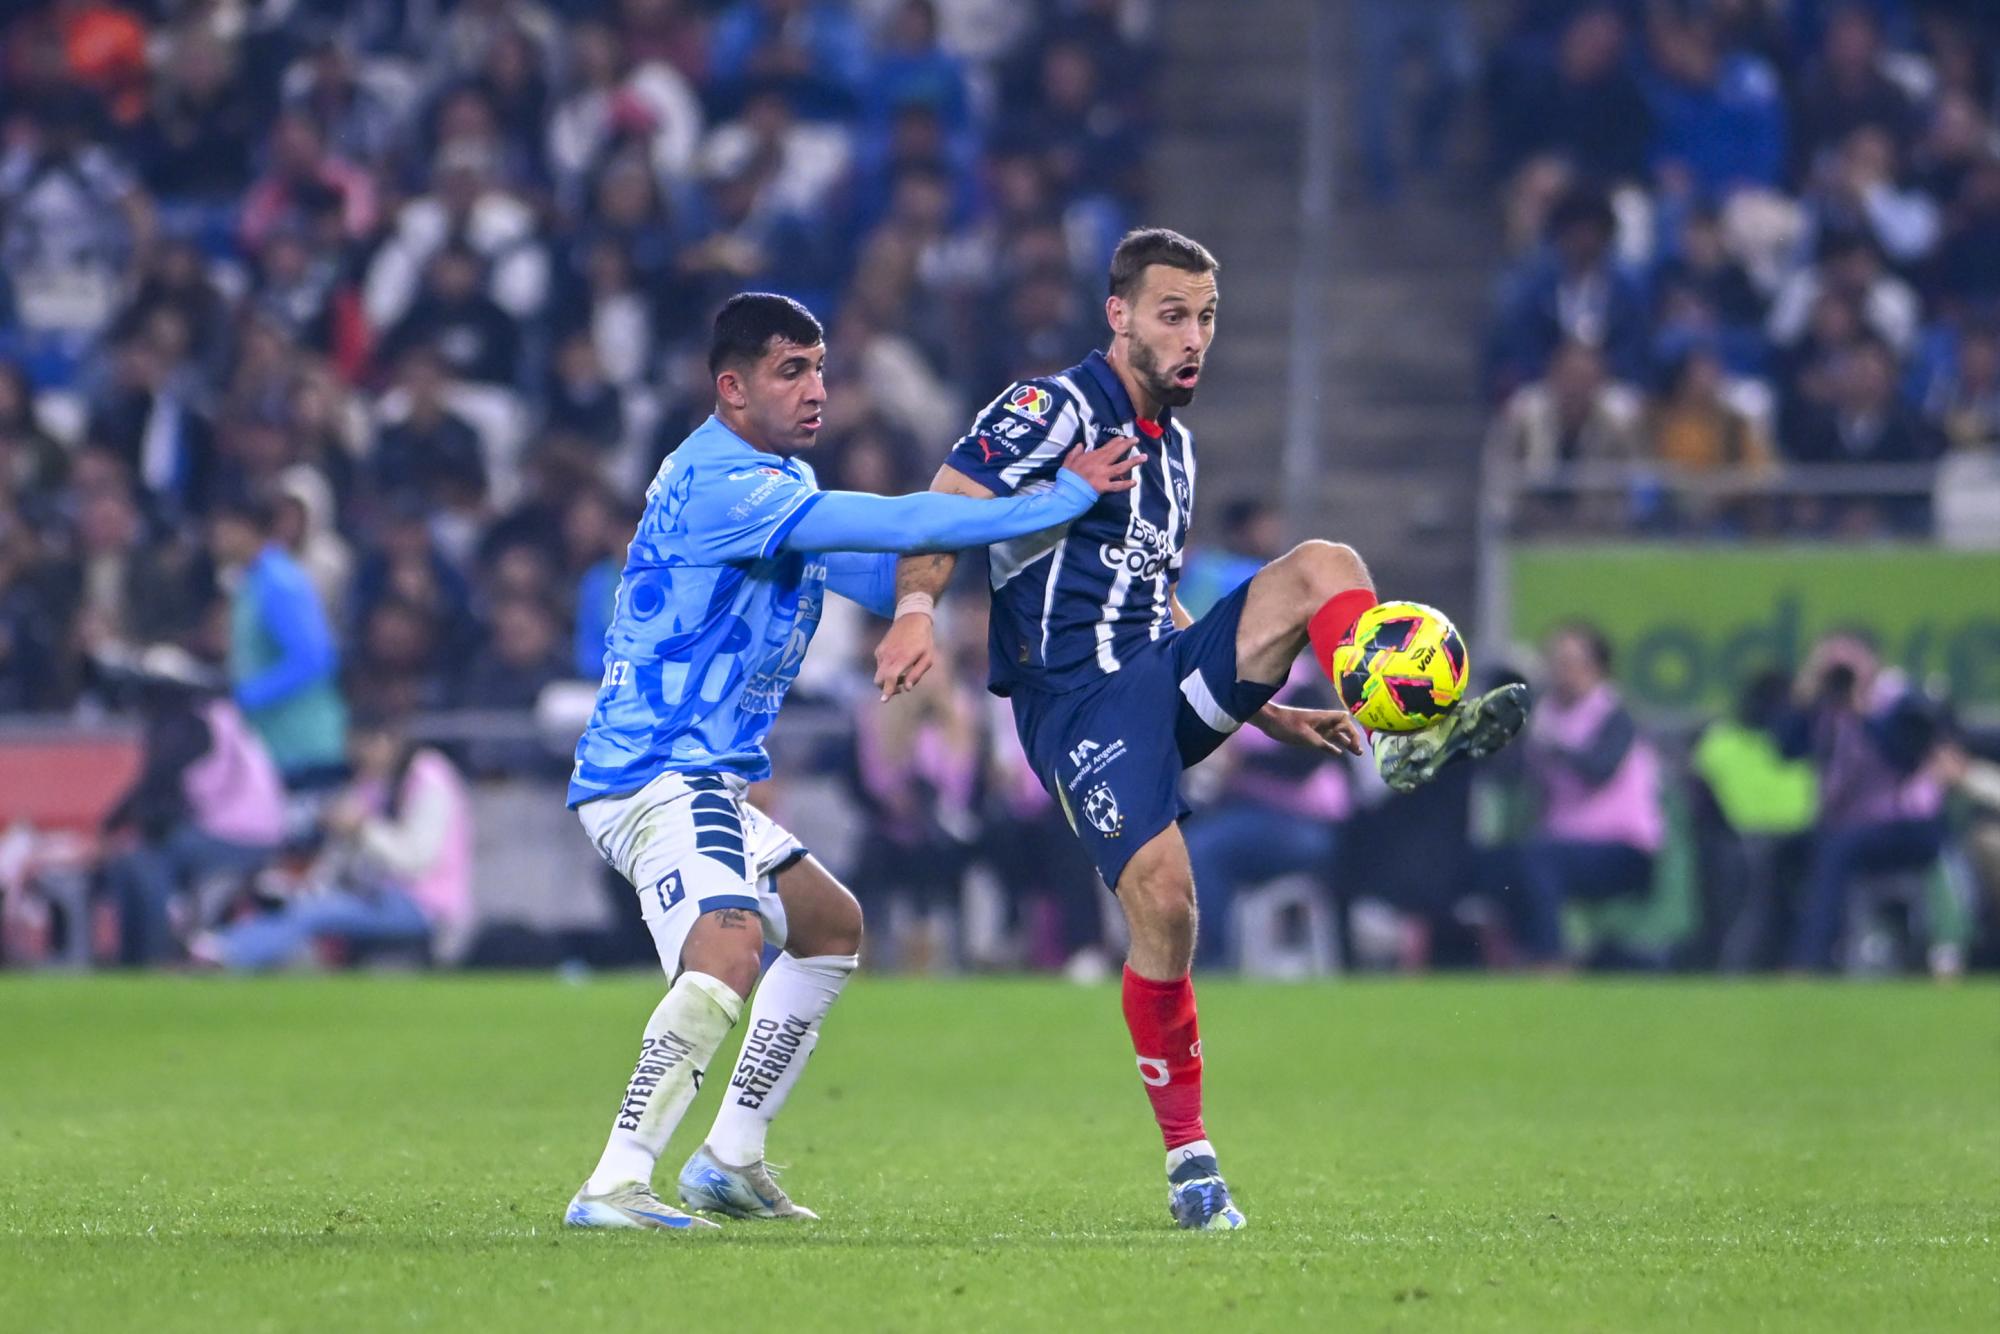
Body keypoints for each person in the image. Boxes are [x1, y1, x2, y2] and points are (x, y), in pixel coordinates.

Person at [872, 229, 1529, 1230]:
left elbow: (1156, 599)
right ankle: (1190, 1159)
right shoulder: (1050, 408)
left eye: (1207, 318)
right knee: (1169, 905)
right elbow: (942, 505)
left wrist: (1272, 711)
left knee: (1322, 564)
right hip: (1076, 703)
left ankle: (1394, 729)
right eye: (1172, 314)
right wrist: (916, 611)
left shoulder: (1173, 451)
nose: (1193, 338)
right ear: (1119, 315)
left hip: (1158, 672)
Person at [562, 293, 1143, 1232]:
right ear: (732, 387)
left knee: (830, 926)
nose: (817, 390)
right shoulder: (722, 482)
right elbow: (909, 521)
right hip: (658, 770)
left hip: (696, 774)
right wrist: (1060, 497)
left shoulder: (778, 485)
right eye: (791, 371)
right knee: (727, 946)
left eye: (820, 369)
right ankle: (614, 1182)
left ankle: (729, 1159)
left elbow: (887, 563)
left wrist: (966, 574)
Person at [190, 714, 472, 970]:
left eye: (364, 749)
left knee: (313, 912)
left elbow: (417, 860)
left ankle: (224, 953)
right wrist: (311, 881)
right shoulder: (375, 782)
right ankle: (223, 946)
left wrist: (362, 828)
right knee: (292, 899)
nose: (359, 759)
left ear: (387, 741)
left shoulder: (428, 777)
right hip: (373, 892)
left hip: (424, 904)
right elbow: (341, 852)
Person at [98, 645, 286, 965]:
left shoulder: (191, 724)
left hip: (237, 834)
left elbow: (157, 786)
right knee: (139, 856)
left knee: (147, 859)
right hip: (249, 830)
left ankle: (155, 953)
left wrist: (109, 826)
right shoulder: (219, 716)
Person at [1512, 625, 1665, 968]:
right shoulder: (1545, 715)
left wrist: (1551, 744)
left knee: (1540, 860)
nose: (1560, 672)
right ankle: (1504, 955)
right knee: (1502, 861)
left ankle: (1552, 959)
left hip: (1623, 849)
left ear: (1596, 668)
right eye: (1555, 662)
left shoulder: (1615, 715)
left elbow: (1598, 769)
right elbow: (1513, 775)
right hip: (1564, 844)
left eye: (1570, 663)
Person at [207, 492, 348, 788]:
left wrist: (244, 696)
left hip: (303, 747)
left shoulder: (280, 581)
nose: (215, 538)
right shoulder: (251, 581)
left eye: (223, 527)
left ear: (246, 528)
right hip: (272, 745)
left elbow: (314, 659)